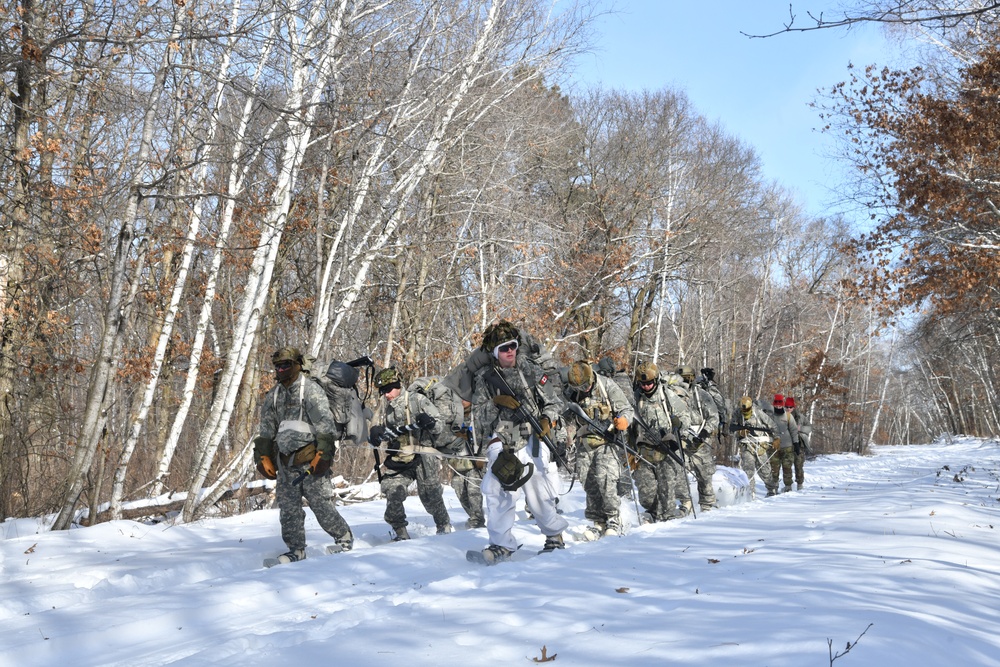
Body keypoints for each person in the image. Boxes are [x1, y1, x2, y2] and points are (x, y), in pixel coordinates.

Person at [470, 320, 568, 564]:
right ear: (495, 353)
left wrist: (547, 419)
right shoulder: (484, 378)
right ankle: (501, 545)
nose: (510, 351)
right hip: (502, 438)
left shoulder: (531, 369)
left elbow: (555, 402)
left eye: (513, 346)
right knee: (496, 490)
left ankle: (554, 535)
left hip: (533, 434)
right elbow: (479, 416)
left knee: (538, 488)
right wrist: (496, 403)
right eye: (504, 348)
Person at [254, 347, 353, 564]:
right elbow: (266, 429)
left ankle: (343, 537)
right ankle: (296, 550)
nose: (281, 369)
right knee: (289, 511)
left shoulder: (310, 390)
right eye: (278, 366)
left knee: (321, 505)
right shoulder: (274, 395)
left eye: (286, 364)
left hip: (310, 459)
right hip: (285, 462)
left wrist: (323, 454)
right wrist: (262, 456)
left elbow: (325, 424)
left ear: (297, 364)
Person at [370, 367, 453, 540]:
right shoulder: (390, 408)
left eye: (389, 389)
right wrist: (379, 434)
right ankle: (401, 533)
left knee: (430, 496)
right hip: (402, 458)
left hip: (423, 455)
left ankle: (443, 526)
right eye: (383, 391)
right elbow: (393, 434)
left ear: (398, 385)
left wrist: (428, 423)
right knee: (393, 490)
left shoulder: (418, 400)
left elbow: (439, 425)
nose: (386, 395)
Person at [562, 361, 634, 538]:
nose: (584, 389)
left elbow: (626, 408)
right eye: (580, 387)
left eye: (586, 385)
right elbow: (568, 418)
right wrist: (565, 435)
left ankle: (614, 519)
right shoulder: (572, 392)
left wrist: (623, 420)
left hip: (607, 442)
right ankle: (598, 522)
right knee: (589, 483)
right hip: (584, 444)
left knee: (606, 480)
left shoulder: (606, 385)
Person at [631, 362, 694, 522]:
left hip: (667, 449)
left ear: (657, 379)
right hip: (644, 450)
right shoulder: (636, 398)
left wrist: (678, 426)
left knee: (667, 490)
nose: (646, 386)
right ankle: (653, 512)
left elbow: (686, 417)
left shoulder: (668, 396)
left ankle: (667, 520)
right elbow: (630, 424)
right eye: (643, 384)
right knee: (646, 494)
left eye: (649, 383)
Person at [676, 365, 721, 511]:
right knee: (678, 471)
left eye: (687, 379)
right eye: (681, 379)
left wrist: (704, 433)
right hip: (680, 439)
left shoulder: (701, 394)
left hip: (700, 440)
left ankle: (707, 504)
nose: (684, 382)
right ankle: (685, 502)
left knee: (704, 473)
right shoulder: (672, 395)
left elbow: (714, 417)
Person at [730, 396, 778, 499]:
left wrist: (776, 438)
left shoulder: (759, 413)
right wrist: (739, 432)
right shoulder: (737, 413)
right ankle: (750, 494)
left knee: (765, 470)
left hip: (760, 444)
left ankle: (772, 489)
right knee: (748, 470)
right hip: (746, 445)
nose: (745, 411)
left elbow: (772, 425)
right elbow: (730, 429)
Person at [769, 394, 800, 494]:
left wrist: (796, 443)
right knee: (774, 469)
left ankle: (788, 487)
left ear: (782, 404)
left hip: (787, 447)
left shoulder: (788, 416)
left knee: (787, 468)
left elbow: (794, 430)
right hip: (774, 447)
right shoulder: (770, 416)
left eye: (780, 404)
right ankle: (773, 488)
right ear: (774, 404)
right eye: (776, 404)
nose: (778, 406)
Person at [786, 397, 811, 490]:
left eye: (790, 407)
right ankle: (788, 485)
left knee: (798, 465)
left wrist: (801, 429)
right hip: (787, 444)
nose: (788, 408)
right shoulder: (782, 416)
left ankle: (800, 484)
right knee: (787, 466)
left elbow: (809, 428)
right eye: (787, 407)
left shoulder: (800, 417)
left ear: (794, 407)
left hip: (799, 445)